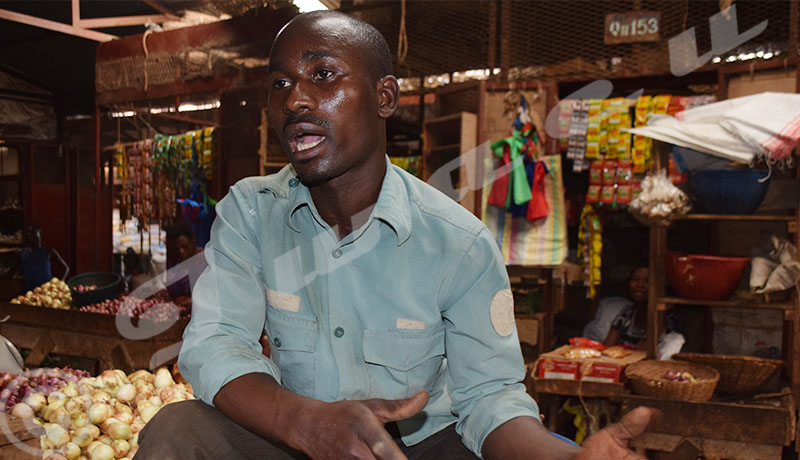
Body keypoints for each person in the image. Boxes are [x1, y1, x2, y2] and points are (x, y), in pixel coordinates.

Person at [136, 11, 652, 460]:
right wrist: (305, 422)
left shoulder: (459, 243)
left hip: (419, 447)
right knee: (179, 432)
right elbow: (218, 343)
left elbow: (490, 399)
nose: (295, 98)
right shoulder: (252, 213)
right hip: (291, 433)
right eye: (280, 84)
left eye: (322, 74)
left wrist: (565, 459)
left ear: (385, 97)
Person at [1, 225, 69, 291]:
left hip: (47, 291)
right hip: (30, 292)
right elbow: (10, 273)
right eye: (29, 236)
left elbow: (66, 268)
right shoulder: (21, 254)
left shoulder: (49, 251)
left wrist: (60, 283)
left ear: (40, 236)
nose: (32, 238)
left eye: (34, 235)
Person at [163, 219, 206, 307]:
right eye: (178, 248)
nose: (181, 251)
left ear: (193, 240)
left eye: (185, 246)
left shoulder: (206, 261)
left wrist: (192, 302)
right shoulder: (180, 263)